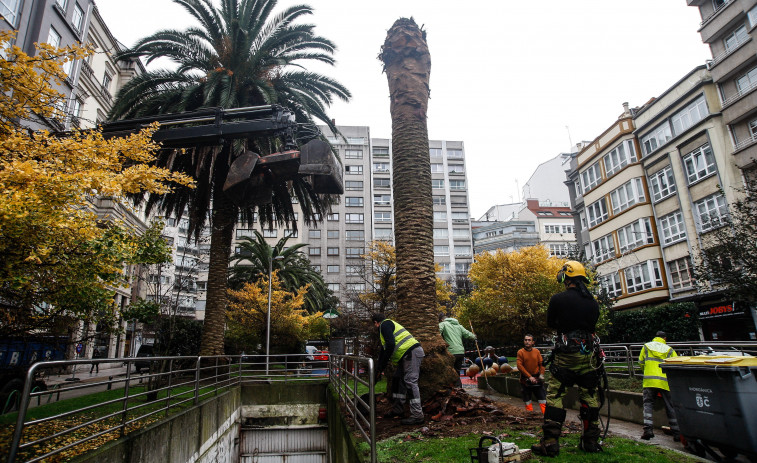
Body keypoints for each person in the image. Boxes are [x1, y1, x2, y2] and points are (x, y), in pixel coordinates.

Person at [531, 261, 603, 456]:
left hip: (566, 356)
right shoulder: (592, 302)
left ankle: (551, 442)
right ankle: (590, 441)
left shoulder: (558, 299)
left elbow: (550, 323)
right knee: (589, 395)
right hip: (588, 357)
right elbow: (592, 325)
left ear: (566, 277)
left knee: (555, 395)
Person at [373, 313, 425, 425]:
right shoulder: (386, 327)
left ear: (376, 323)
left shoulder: (384, 324)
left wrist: (383, 365)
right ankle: (398, 409)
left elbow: (391, 344)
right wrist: (379, 369)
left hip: (411, 353)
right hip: (406, 355)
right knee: (397, 379)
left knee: (410, 382)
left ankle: (417, 415)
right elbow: (384, 351)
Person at [639, 331, 680, 441]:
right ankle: (677, 433)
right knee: (670, 407)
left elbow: (641, 362)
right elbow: (675, 364)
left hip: (650, 380)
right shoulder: (669, 349)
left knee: (648, 405)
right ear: (664, 338)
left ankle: (648, 430)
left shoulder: (646, 346)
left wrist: (646, 371)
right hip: (664, 381)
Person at [439, 316, 475, 387]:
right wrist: (474, 337)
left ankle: (456, 388)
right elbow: (468, 334)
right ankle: (459, 388)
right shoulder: (459, 326)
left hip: (451, 352)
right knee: (457, 371)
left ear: (441, 320)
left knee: (450, 371)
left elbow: (437, 332)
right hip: (461, 352)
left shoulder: (443, 324)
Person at [517, 334, 546, 413]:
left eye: (529, 340)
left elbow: (542, 363)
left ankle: (545, 416)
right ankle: (530, 416)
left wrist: (541, 375)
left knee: (542, 399)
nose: (527, 342)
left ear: (533, 342)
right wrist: (529, 377)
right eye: (525, 340)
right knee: (527, 400)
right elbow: (519, 366)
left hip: (537, 378)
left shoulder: (536, 352)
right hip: (525, 380)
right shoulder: (520, 352)